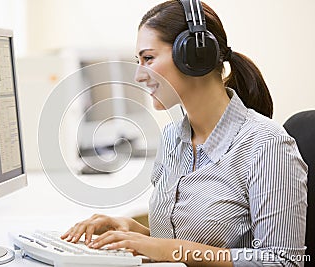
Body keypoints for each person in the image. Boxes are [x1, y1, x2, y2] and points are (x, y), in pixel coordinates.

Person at [61, 1, 308, 266]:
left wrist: (169, 249)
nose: (138, 75)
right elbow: (183, 247)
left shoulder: (267, 146)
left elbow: (283, 261)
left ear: (193, 56)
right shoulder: (171, 138)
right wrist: (134, 234)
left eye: (148, 58)